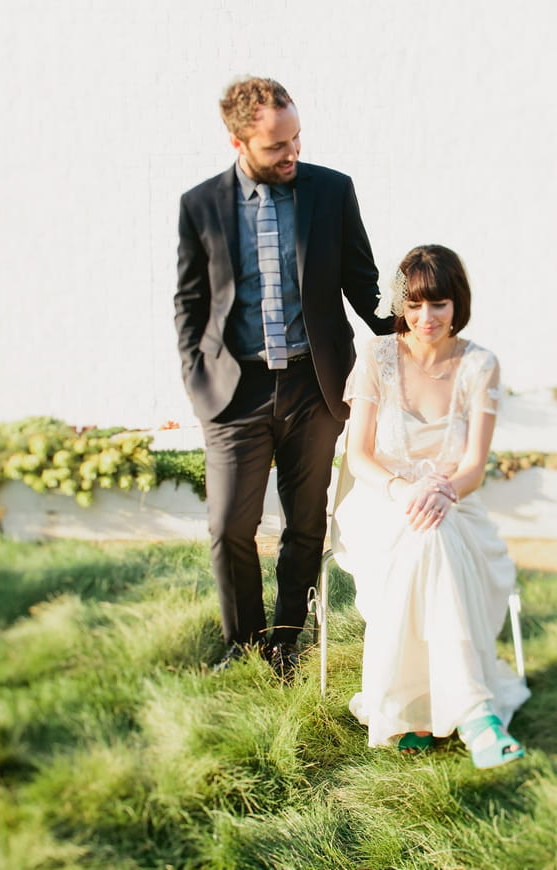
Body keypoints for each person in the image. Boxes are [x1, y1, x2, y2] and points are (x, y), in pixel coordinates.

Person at [174, 76, 393, 677]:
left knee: (305, 522)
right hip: (233, 392)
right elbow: (190, 305)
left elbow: (363, 284)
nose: (292, 152)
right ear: (237, 141)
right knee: (229, 527)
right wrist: (199, 385)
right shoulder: (200, 206)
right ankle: (243, 643)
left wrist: (412, 320)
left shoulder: (332, 190)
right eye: (276, 146)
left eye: (296, 138)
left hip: (313, 387)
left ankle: (285, 642)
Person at [332, 244, 530, 767]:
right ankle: (475, 712)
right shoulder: (377, 357)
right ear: (403, 304)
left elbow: (472, 468)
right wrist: (406, 491)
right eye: (416, 305)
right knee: (425, 533)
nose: (426, 318)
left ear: (456, 303)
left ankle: (414, 710)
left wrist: (441, 491)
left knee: (434, 533)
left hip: (452, 502)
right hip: (382, 501)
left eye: (438, 304)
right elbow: (360, 455)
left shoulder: (479, 365)